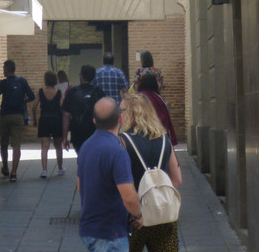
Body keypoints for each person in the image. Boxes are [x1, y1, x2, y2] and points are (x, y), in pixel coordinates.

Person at [77, 97, 143, 252]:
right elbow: (128, 196)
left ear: (94, 121)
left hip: (89, 229)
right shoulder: (117, 151)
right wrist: (138, 215)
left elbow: (81, 187)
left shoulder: (86, 146)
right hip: (110, 234)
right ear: (121, 118)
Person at [119, 93, 182, 252]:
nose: (118, 115)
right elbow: (177, 179)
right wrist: (156, 195)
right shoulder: (164, 139)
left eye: (120, 111)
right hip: (162, 215)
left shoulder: (122, 141)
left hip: (133, 217)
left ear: (128, 113)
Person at [0, 60, 34, 181]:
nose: (3, 70)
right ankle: (14, 173)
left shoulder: (3, 83)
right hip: (18, 116)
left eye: (4, 68)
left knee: (4, 144)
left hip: (5, 116)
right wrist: (22, 101)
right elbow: (32, 96)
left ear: (7, 69)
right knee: (16, 145)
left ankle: (5, 168)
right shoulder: (22, 81)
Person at [62, 64, 105, 154]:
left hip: (77, 132)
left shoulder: (72, 92)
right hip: (94, 131)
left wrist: (65, 137)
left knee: (81, 156)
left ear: (81, 76)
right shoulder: (99, 92)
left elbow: (66, 116)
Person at [31, 70, 65, 177]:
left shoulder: (41, 92)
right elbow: (63, 108)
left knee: (44, 147)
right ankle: (60, 168)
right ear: (55, 80)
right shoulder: (59, 93)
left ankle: (44, 170)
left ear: (45, 80)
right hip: (56, 120)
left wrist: (35, 120)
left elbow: (33, 107)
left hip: (44, 119)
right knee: (58, 146)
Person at [135, 72, 177, 145]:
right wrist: (173, 139)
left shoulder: (138, 98)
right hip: (160, 136)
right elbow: (167, 118)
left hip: (143, 137)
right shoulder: (159, 99)